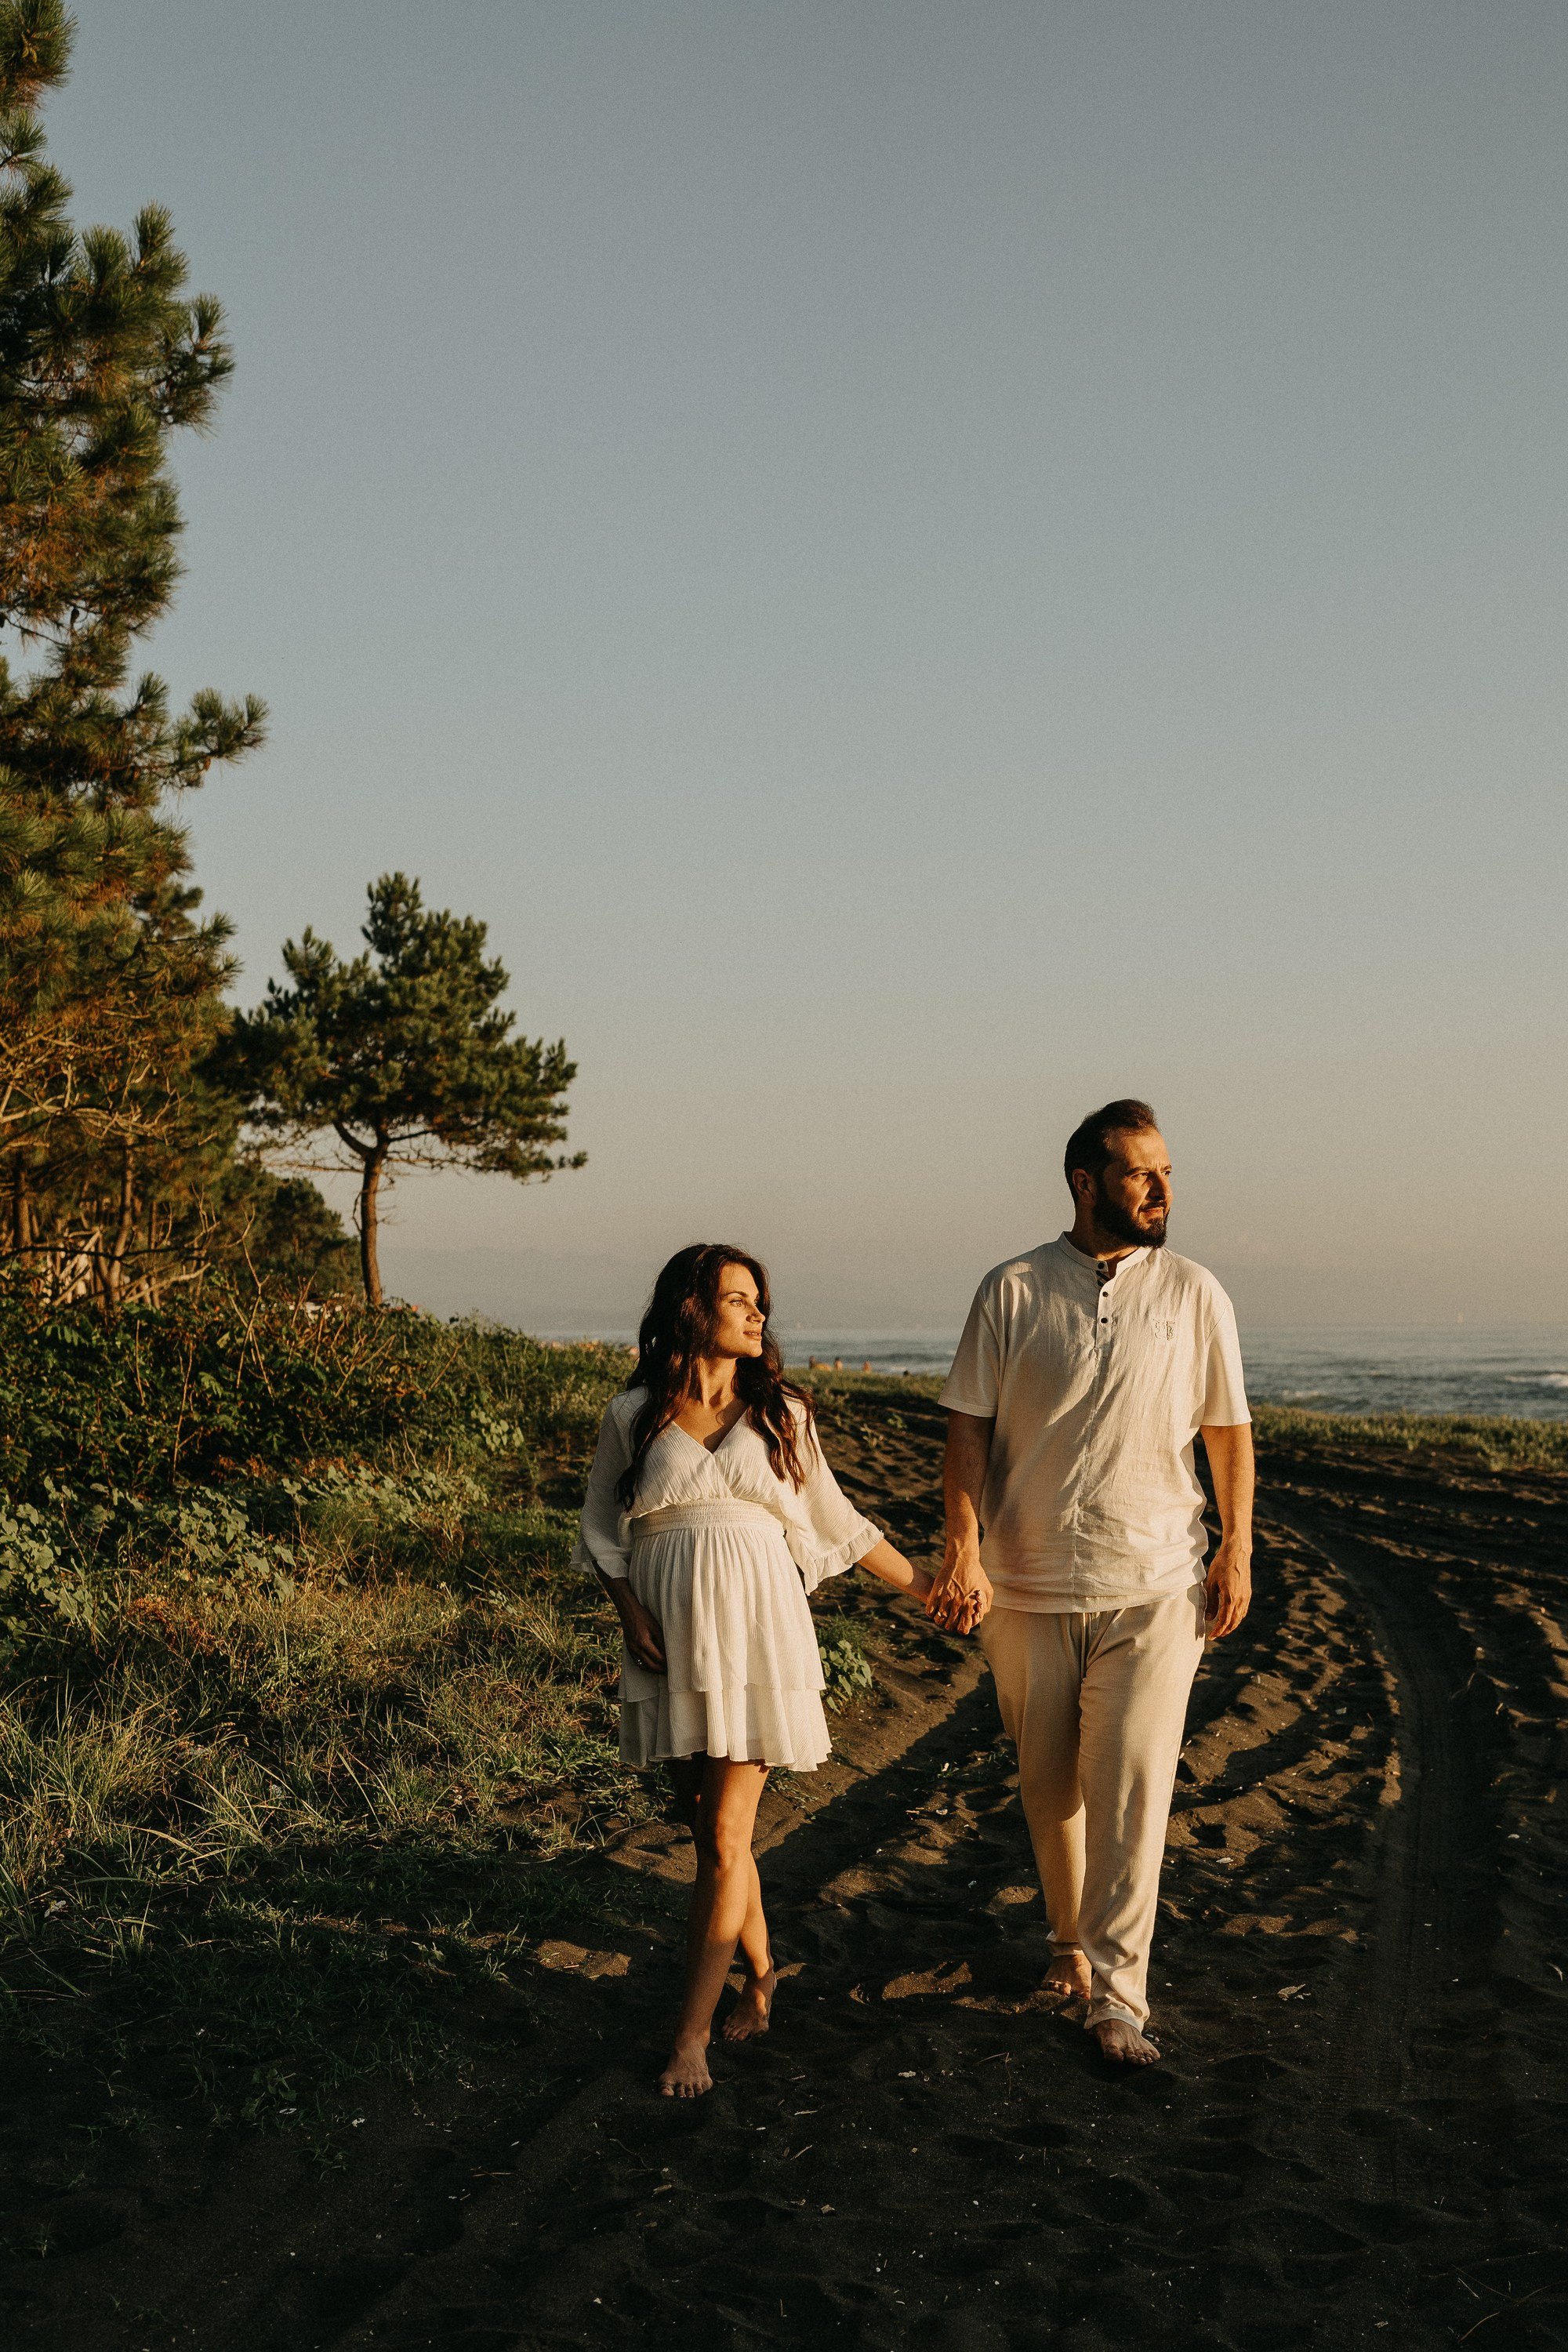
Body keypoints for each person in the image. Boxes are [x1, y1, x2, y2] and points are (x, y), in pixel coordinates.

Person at [929, 1100, 1253, 2066]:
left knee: (1130, 1787)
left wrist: (1235, 1546)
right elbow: (966, 1431)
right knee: (1047, 1785)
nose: (1160, 1189)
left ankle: (1117, 1999)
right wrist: (961, 1546)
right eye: (1139, 1173)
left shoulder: (1195, 1292)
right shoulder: (1012, 1289)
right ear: (1084, 1182)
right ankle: (1067, 1946)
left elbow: (1226, 1431)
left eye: (1165, 1172)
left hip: (1154, 1580)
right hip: (1026, 1582)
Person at [575, 1243, 931, 2097]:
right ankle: (763, 1969)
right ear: (690, 1308)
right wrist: (629, 1617)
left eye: (758, 1299)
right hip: (669, 1635)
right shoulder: (633, 1413)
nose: (756, 1312)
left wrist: (930, 1589)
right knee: (700, 1822)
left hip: (759, 1628)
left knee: (725, 1838)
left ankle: (690, 2037)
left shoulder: (783, 1413)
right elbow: (598, 1531)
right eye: (737, 1298)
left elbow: (837, 1521)